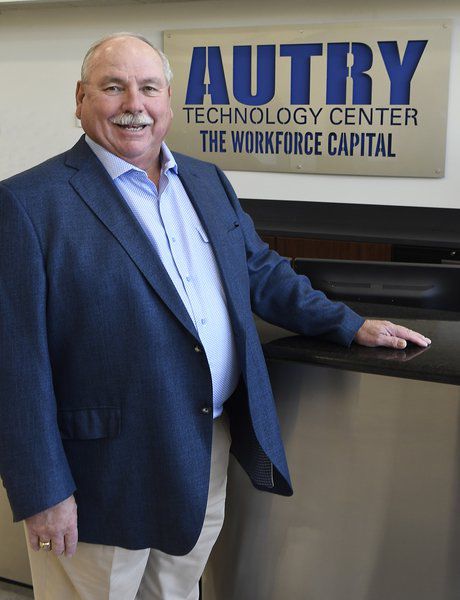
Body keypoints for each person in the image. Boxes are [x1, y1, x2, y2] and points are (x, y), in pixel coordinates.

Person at [0, 32, 431, 600]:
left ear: (169, 100)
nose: (134, 104)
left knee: (176, 591)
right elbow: (15, 364)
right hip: (101, 472)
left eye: (149, 88)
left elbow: (260, 272)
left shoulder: (205, 180)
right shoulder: (28, 203)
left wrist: (349, 324)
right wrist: (43, 491)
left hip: (202, 447)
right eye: (113, 87)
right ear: (81, 98)